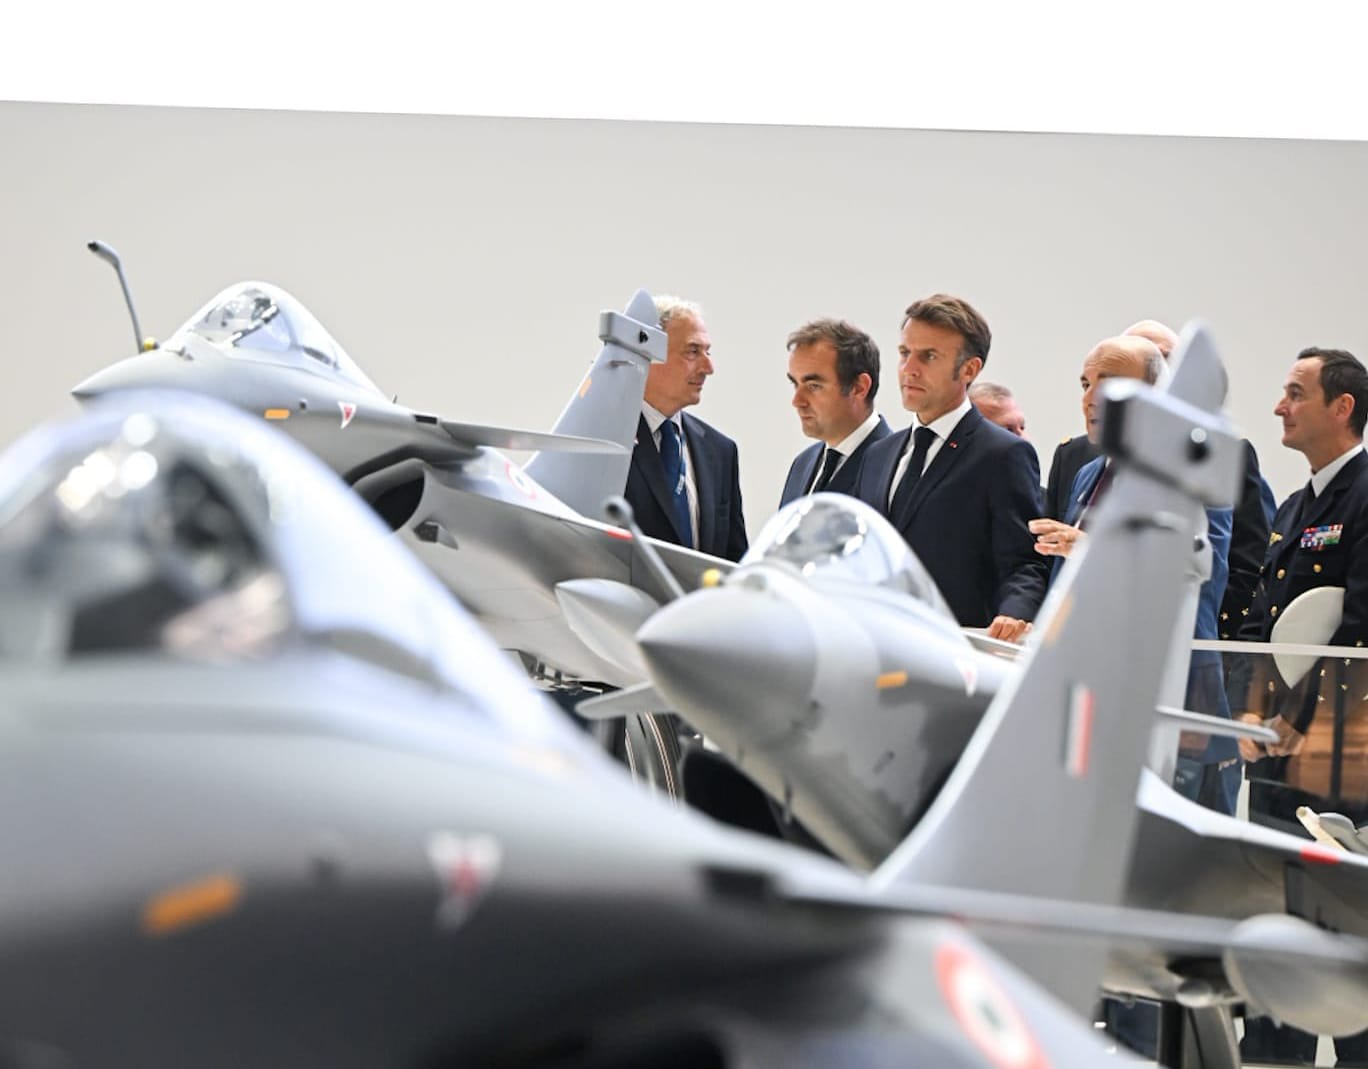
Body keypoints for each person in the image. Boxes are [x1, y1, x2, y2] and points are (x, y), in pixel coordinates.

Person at [1234, 347, 1368, 1067]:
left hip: (1341, 758)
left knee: (1345, 936)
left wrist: (1299, 718)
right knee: (1275, 925)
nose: (1279, 406)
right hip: (1275, 758)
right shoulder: (1293, 507)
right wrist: (1250, 713)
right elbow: (1262, 625)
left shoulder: (1364, 497)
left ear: (1342, 407)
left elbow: (1359, 632)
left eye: (1295, 392)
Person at [855, 294, 1046, 641]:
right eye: (904, 353)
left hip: (954, 649)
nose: (909, 368)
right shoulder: (879, 454)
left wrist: (1014, 614)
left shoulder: (1002, 454)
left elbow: (1023, 563)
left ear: (969, 369)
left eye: (928, 356)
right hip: (875, 645)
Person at [1122, 319, 1273, 636]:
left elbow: (1247, 561)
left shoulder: (1217, 452)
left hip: (1188, 635)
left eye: (1166, 358)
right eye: (1144, 358)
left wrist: (1210, 635)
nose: (1158, 369)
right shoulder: (1080, 456)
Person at [623, 296, 747, 562]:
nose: (708, 368)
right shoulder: (605, 442)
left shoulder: (720, 451)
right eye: (692, 351)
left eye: (707, 352)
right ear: (648, 355)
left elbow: (734, 559)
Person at [778, 318, 890, 507]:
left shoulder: (893, 468)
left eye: (814, 386)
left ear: (859, 387)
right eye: (795, 384)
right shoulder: (802, 464)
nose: (797, 401)